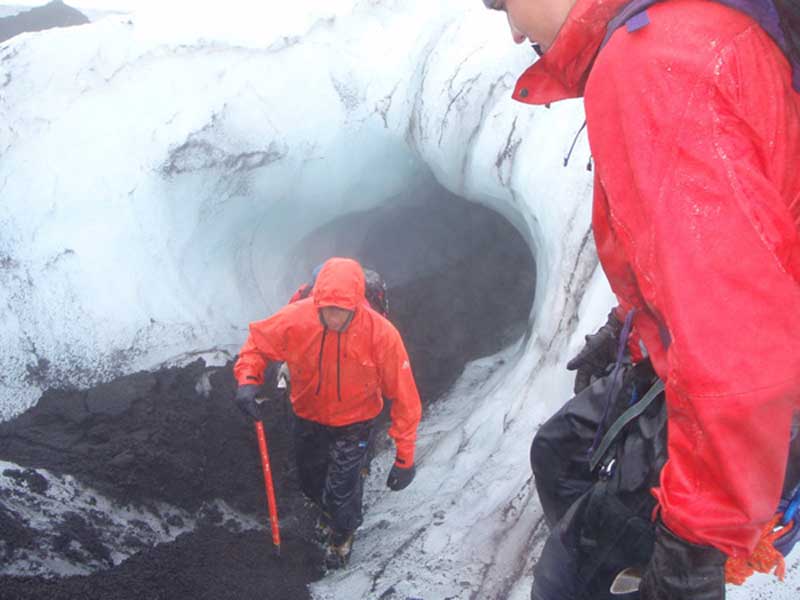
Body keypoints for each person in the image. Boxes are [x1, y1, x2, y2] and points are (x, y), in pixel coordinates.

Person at [483, 0, 800, 598]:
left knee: (567, 578)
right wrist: (627, 326)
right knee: (558, 454)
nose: (513, 28)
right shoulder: (673, 34)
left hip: (748, 411)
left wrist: (691, 552)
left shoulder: (650, 66)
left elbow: (737, 347)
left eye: (503, 3)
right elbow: (711, 248)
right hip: (723, 374)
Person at [232, 257, 422, 569]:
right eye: (327, 310)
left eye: (341, 311)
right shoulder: (298, 318)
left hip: (355, 422)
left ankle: (342, 536)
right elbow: (257, 343)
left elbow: (404, 396)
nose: (333, 318)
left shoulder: (381, 334)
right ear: (317, 301)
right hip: (307, 414)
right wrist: (248, 380)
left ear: (356, 306)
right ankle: (328, 507)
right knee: (310, 481)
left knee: (341, 493)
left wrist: (405, 457)